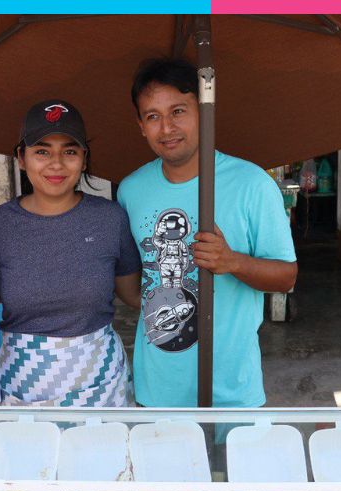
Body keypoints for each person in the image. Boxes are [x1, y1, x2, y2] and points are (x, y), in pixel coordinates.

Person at [117, 58, 298, 409]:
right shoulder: (131, 190)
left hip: (232, 389)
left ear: (204, 112)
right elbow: (133, 283)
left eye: (178, 111)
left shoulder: (252, 184)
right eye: (153, 116)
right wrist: (167, 304)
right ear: (141, 126)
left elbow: (286, 277)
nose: (167, 128)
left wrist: (233, 262)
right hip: (157, 388)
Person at [0, 99, 142, 407]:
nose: (56, 163)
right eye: (42, 151)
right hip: (22, 385)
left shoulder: (110, 219)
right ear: (21, 158)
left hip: (101, 383)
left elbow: (135, 296)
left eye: (69, 151)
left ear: (84, 159)